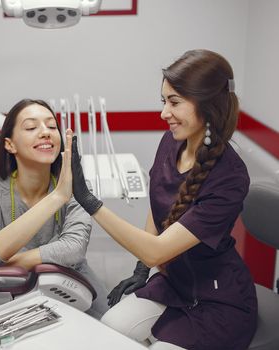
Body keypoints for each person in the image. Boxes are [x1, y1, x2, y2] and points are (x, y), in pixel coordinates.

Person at [65, 49, 257, 349]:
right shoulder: (171, 142)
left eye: (174, 102)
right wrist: (142, 269)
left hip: (218, 302)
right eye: (163, 101)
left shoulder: (229, 177)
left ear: (208, 105)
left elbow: (158, 251)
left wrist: (89, 201)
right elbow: (159, 208)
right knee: (109, 330)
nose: (163, 113)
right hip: (174, 283)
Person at [0, 99, 108, 319]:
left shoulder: (77, 188)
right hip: (11, 296)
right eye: (31, 127)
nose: (45, 133)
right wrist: (57, 197)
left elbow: (73, 249)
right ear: (9, 144)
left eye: (51, 126)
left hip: (73, 288)